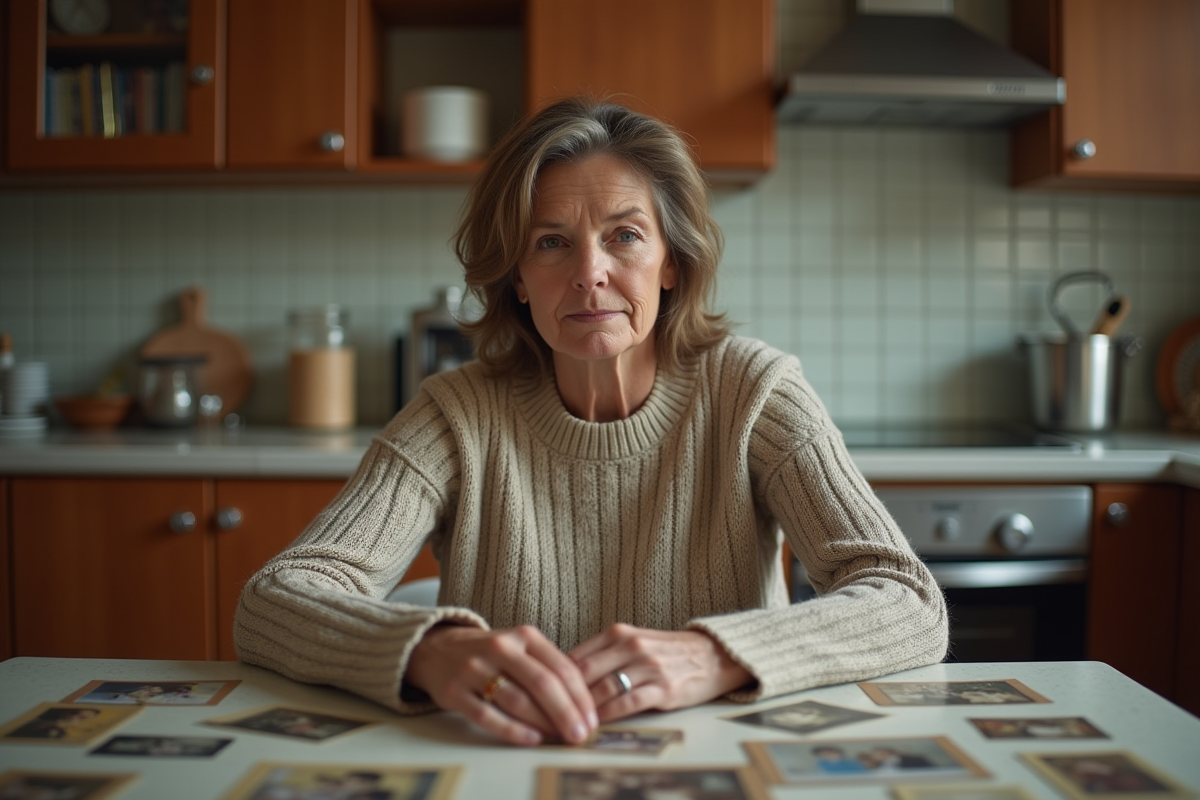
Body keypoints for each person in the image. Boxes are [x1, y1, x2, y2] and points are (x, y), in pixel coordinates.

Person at [233, 96, 947, 748]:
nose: (589, 272)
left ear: (671, 262)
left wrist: (713, 656)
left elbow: (909, 601)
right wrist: (430, 651)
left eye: (624, 235)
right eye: (550, 242)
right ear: (517, 277)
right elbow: (274, 601)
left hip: (726, 766)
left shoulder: (754, 392)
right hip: (504, 766)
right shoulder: (456, 414)